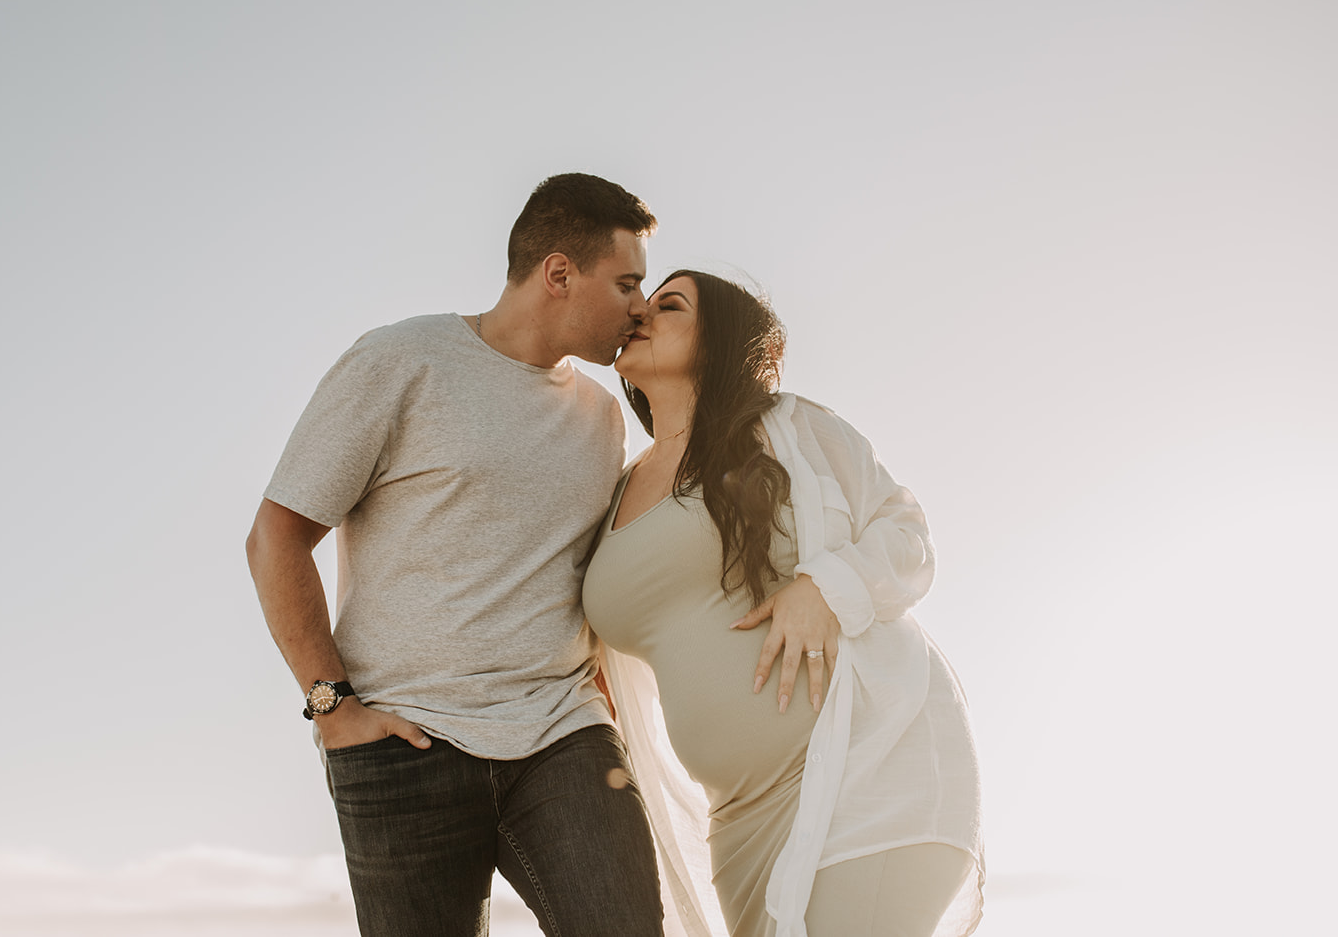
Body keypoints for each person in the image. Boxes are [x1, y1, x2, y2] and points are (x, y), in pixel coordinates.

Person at [245, 173, 666, 937]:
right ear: (559, 273)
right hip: (406, 741)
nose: (641, 305)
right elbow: (276, 535)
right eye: (628, 281)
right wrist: (332, 705)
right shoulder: (400, 360)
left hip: (562, 735)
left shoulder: (605, 420)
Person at [582, 270, 984, 937]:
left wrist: (826, 587)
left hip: (869, 770)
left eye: (671, 305)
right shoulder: (618, 488)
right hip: (739, 820)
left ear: (722, 341)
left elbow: (908, 536)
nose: (642, 314)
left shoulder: (788, 428)